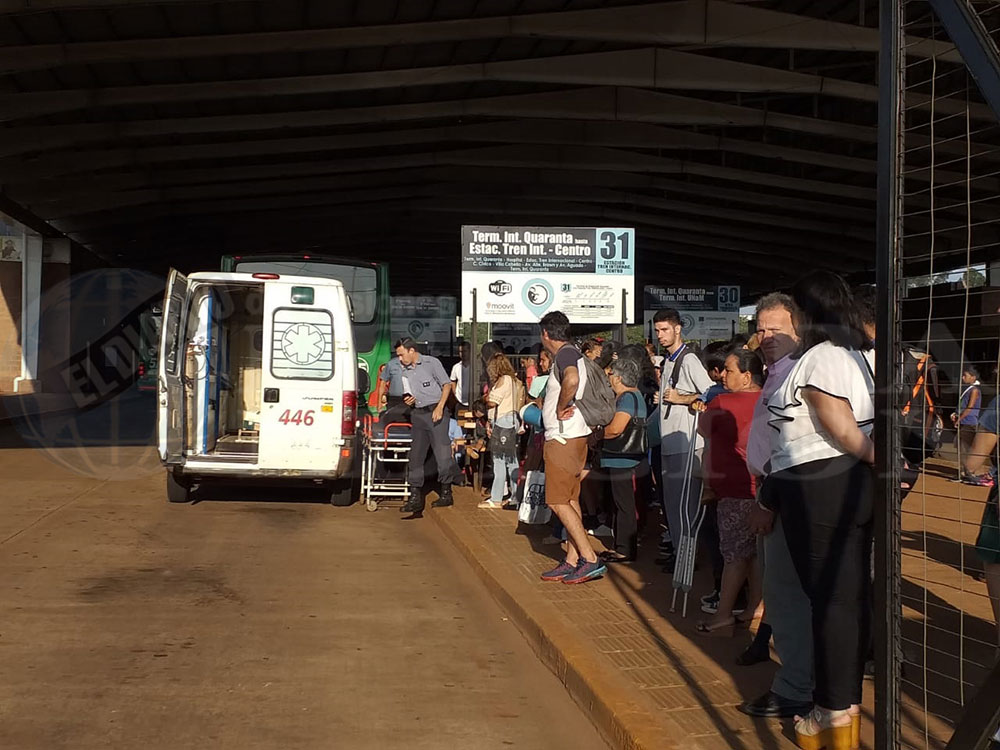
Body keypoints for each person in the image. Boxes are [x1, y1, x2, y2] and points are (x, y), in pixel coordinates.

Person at [764, 272, 875, 749]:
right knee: (844, 603)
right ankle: (840, 712)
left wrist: (879, 457)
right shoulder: (857, 355)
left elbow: (839, 423)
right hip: (839, 485)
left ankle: (830, 716)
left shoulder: (822, 357)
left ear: (805, 315)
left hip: (818, 486)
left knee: (830, 604)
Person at [739, 293, 815, 719]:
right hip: (776, 489)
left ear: (799, 329)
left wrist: (767, 498)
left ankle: (796, 687)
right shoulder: (777, 373)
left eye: (776, 329)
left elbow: (793, 447)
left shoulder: (796, 375)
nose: (766, 337)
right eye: (761, 329)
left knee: (786, 593)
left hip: (783, 493)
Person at [693, 349, 763, 636]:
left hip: (733, 489)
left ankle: (723, 615)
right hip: (761, 490)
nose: (723, 375)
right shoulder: (769, 400)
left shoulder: (722, 402)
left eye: (730, 370)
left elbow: (703, 430)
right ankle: (755, 607)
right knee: (755, 554)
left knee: (734, 554)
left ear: (747, 377)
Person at [537, 311, 607, 585]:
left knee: (556, 501)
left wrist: (560, 407)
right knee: (570, 499)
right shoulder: (574, 352)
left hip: (563, 438)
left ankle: (589, 558)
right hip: (576, 436)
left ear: (545, 334)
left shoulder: (565, 355)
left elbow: (572, 380)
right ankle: (572, 559)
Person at [654, 308, 715, 569]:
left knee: (684, 508)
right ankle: (681, 556)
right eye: (657, 330)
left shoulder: (689, 360)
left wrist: (680, 398)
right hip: (670, 443)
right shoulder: (668, 361)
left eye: (665, 329)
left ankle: (687, 561)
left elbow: (710, 394)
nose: (660, 335)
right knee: (673, 506)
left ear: (678, 329)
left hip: (687, 444)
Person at [397, 338, 461, 519]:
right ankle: (415, 496)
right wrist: (408, 400)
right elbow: (408, 392)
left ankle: (446, 492)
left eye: (402, 354)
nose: (400, 359)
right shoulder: (405, 371)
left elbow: (446, 385)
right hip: (418, 412)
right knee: (416, 454)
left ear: (411, 350)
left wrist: (440, 407)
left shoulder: (431, 363)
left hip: (436, 410)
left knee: (442, 453)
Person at [600, 357, 649, 562]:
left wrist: (596, 434)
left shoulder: (627, 398)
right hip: (627, 457)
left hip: (622, 458)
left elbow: (616, 429)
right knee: (623, 503)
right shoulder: (636, 396)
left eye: (611, 375)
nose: (609, 378)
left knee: (624, 504)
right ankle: (622, 546)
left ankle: (624, 549)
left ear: (619, 378)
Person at [482, 352, 522, 510]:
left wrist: (486, 398)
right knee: (511, 461)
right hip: (509, 421)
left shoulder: (503, 380)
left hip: (504, 422)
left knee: (499, 461)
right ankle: (515, 497)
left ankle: (496, 497)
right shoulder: (513, 381)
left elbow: (492, 402)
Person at [953, 365, 983, 475]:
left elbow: (969, 408)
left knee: (966, 448)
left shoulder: (974, 390)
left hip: (969, 422)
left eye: (965, 375)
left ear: (973, 377)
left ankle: (968, 471)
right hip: (965, 421)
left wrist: (959, 419)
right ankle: (964, 471)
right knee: (962, 448)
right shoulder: (968, 389)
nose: (962, 378)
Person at [450, 341, 472, 411]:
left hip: (474, 402)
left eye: (465, 351)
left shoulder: (477, 366)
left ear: (470, 351)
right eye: (460, 351)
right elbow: (452, 381)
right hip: (460, 402)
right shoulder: (456, 367)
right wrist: (455, 394)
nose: (462, 354)